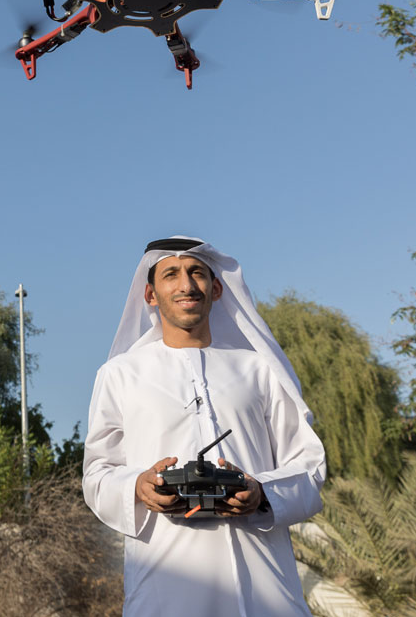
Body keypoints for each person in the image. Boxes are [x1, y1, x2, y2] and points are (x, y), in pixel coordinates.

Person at [83, 236, 326, 616]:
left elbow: (310, 467)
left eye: (197, 273)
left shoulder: (258, 370)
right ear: (150, 294)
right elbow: (97, 475)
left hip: (263, 579)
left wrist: (261, 494)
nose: (186, 285)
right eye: (171, 275)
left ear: (216, 289)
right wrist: (137, 486)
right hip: (165, 578)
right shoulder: (120, 374)